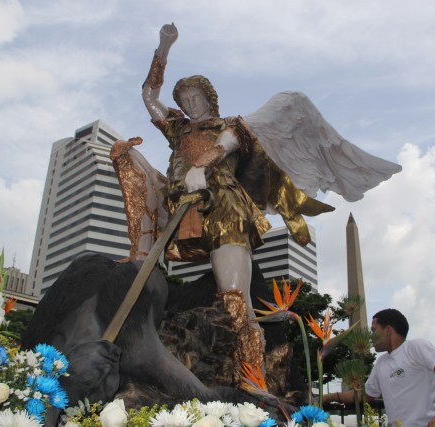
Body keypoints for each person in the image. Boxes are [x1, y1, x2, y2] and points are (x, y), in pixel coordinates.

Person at [137, 23, 332, 378]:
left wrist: (202, 165)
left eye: (196, 97)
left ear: (210, 99)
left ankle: (252, 377)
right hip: (182, 208)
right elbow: (149, 97)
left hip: (224, 206)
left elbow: (225, 144)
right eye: (184, 100)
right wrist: (163, 49)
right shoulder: (178, 128)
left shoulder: (233, 125)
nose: (190, 104)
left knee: (234, 296)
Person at [364, 309, 435, 427]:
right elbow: (366, 394)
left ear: (388, 331)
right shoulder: (381, 363)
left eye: (374, 330)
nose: (371, 336)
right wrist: (335, 395)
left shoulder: (414, 347)